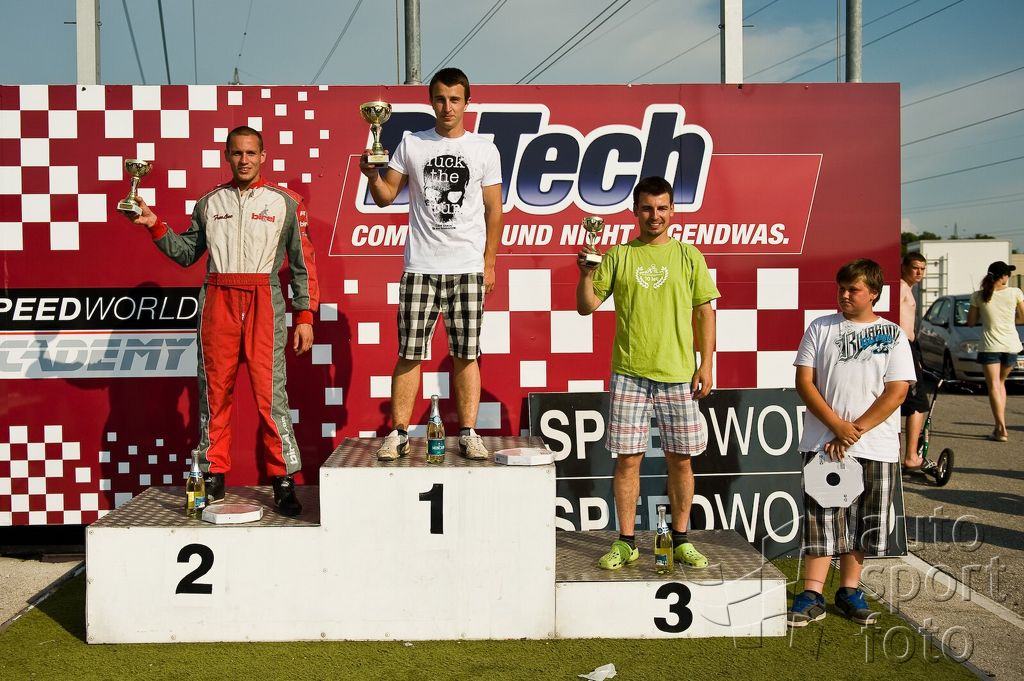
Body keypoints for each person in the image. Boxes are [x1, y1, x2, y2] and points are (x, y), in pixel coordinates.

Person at [120, 126, 319, 516]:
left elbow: (303, 264)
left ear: (263, 156)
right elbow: (185, 254)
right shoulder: (209, 202)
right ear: (227, 157)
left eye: (251, 153)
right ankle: (211, 475)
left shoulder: (286, 203)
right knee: (214, 395)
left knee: (272, 397)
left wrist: (305, 315)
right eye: (237, 153)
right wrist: (154, 223)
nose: (244, 160)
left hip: (264, 299)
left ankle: (283, 479)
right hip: (218, 298)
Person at [359, 67, 503, 461]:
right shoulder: (411, 143)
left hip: (467, 268)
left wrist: (489, 263)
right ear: (431, 101)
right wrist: (372, 175)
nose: (447, 107)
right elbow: (386, 196)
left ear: (467, 103)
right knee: (409, 352)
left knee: (466, 354)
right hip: (420, 268)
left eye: (455, 99)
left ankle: (468, 433)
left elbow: (494, 209)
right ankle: (399, 433)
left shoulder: (484, 149)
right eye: (440, 99)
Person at [576, 176, 719, 571]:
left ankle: (681, 538)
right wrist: (585, 273)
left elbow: (705, 312)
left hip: (678, 374)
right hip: (629, 374)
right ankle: (626, 542)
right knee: (627, 461)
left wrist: (706, 364)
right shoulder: (619, 255)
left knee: (681, 461)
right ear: (635, 211)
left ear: (672, 211)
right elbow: (586, 307)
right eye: (647, 208)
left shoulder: (689, 255)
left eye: (662, 208)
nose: (655, 215)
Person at [788, 259, 914, 627]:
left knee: (863, 523)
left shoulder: (893, 334)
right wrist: (836, 427)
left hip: (875, 446)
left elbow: (897, 391)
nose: (844, 294)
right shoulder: (820, 327)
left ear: (873, 293)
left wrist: (853, 430)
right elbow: (804, 382)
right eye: (841, 288)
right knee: (821, 520)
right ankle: (811, 593)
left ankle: (849, 591)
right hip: (823, 444)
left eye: (853, 289)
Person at [967, 261, 1024, 442]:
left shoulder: (978, 296)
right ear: (1004, 276)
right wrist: (1010, 322)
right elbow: (1023, 317)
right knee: (1001, 383)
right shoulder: (1015, 293)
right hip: (1011, 345)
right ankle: (999, 427)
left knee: (993, 386)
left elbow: (971, 322)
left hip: (990, 346)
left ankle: (1001, 428)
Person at [899, 252, 929, 468]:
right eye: (915, 267)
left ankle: (909, 454)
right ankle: (911, 456)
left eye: (922, 269)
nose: (919, 272)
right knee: (918, 403)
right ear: (904, 267)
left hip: (910, 347)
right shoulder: (901, 287)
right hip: (903, 346)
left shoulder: (908, 288)